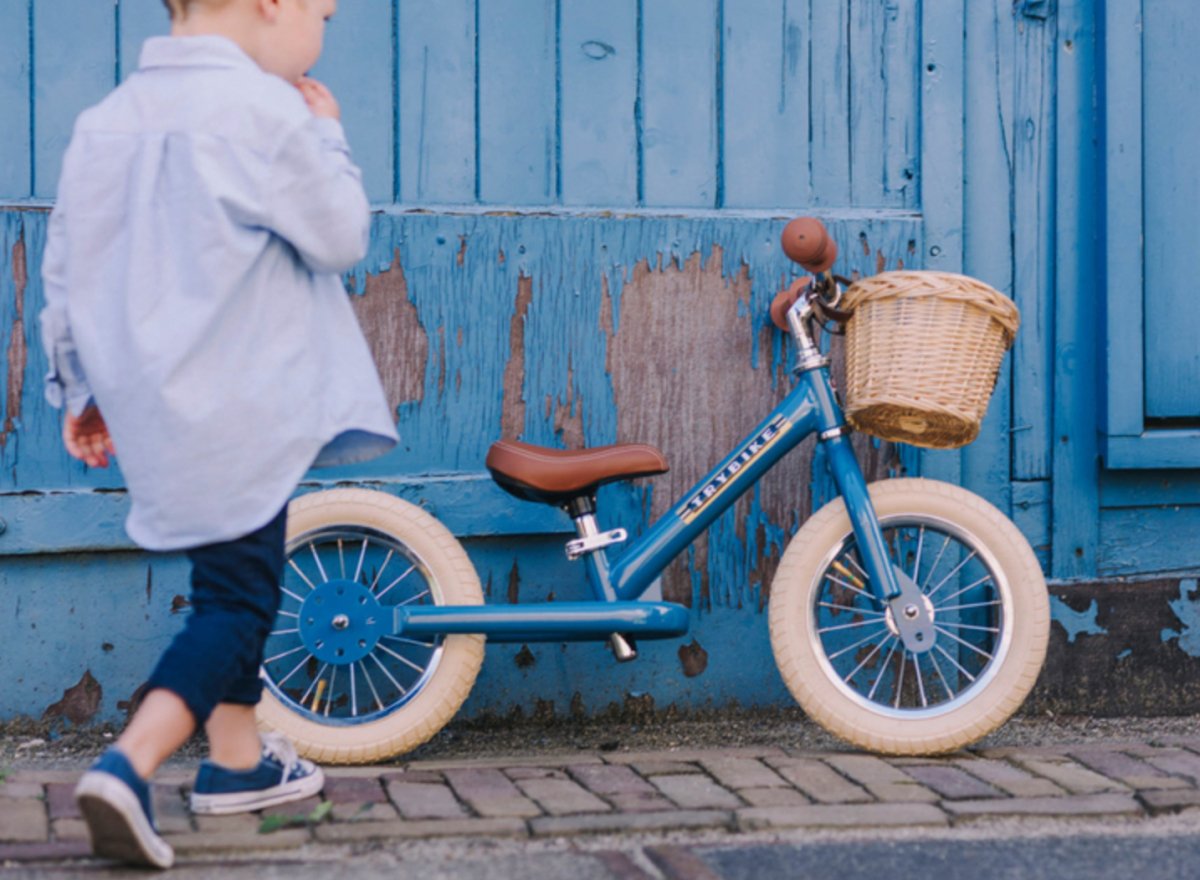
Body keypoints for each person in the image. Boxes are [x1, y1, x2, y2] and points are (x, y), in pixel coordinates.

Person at [38, 0, 398, 868]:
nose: (327, 17)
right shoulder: (267, 110)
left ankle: (239, 767)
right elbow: (340, 236)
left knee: (227, 573)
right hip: (247, 401)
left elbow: (67, 261)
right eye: (321, 9)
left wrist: (78, 387)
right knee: (239, 602)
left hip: (153, 406)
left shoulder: (105, 121)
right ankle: (129, 764)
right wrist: (327, 135)